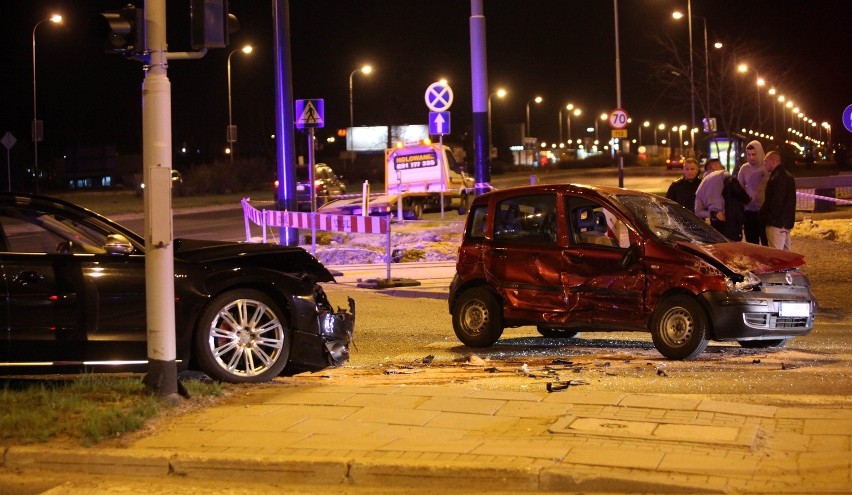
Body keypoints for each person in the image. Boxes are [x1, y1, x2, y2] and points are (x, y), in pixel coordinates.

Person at [760, 151, 796, 251]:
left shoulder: (777, 178)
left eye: (765, 161)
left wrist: (770, 219)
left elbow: (776, 202)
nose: (764, 164)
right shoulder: (788, 176)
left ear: (773, 161)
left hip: (776, 224)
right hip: (786, 223)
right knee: (786, 256)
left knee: (776, 256)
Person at [736, 141, 768, 245]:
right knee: (752, 244)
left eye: (754, 154)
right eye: (749, 155)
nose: (751, 157)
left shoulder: (767, 167)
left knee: (766, 244)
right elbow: (738, 189)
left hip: (765, 212)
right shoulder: (744, 168)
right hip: (749, 213)